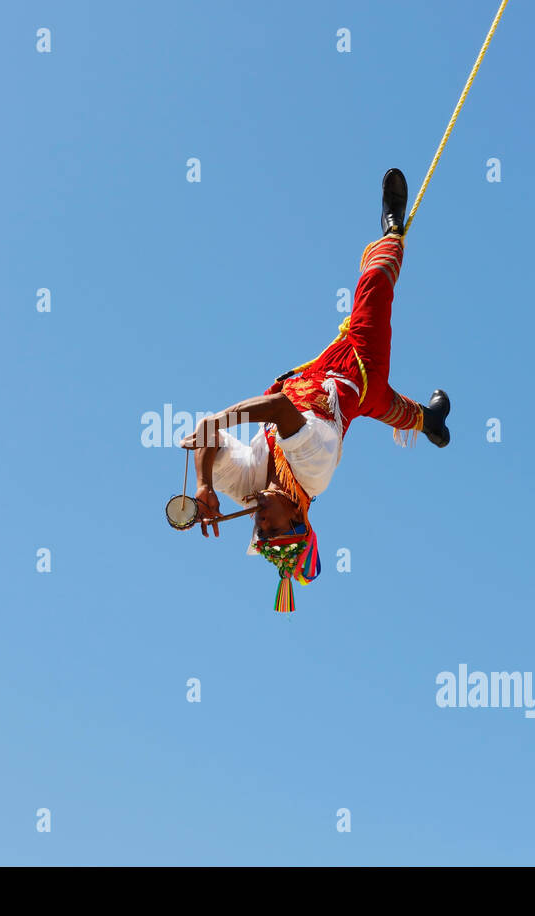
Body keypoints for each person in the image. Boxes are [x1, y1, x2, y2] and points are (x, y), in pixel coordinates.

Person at [178, 168, 450, 611]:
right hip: (358, 375)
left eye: (259, 533)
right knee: (374, 290)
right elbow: (278, 408)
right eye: (273, 530)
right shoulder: (314, 471)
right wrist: (221, 421)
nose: (260, 524)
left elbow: (207, 434)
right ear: (299, 521)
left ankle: (430, 421)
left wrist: (205, 484)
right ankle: (392, 228)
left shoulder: (250, 487)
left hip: (322, 377)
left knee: (395, 410)